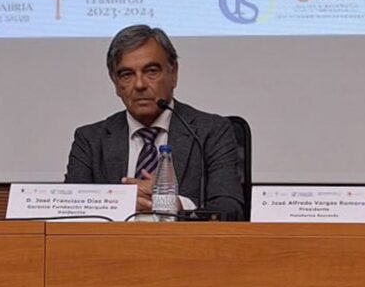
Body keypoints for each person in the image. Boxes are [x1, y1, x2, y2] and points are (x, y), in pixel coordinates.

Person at [64, 24, 245, 220]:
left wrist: (177, 205)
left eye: (151, 71)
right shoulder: (90, 140)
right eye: (127, 75)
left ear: (173, 74)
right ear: (115, 82)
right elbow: (69, 211)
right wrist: (117, 204)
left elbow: (230, 209)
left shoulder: (211, 132)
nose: (140, 84)